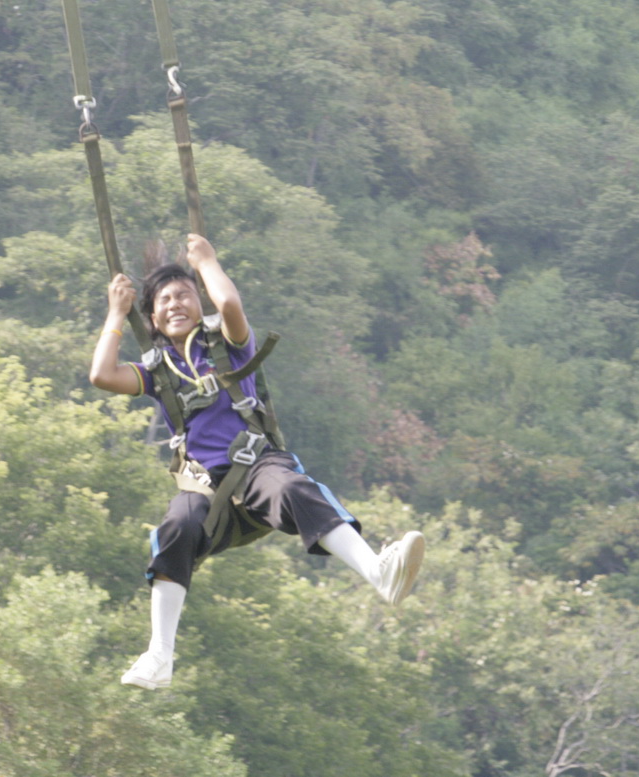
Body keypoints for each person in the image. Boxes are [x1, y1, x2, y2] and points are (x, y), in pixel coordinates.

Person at [90, 233, 425, 690]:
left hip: (256, 466)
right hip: (204, 487)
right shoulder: (157, 371)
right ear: (153, 319)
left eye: (184, 295)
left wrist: (207, 263)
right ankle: (159, 655)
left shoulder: (228, 346)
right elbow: (102, 375)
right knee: (176, 527)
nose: (175, 304)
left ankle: (378, 572)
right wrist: (115, 314)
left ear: (199, 303)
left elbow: (229, 304)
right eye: (164, 301)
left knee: (292, 488)